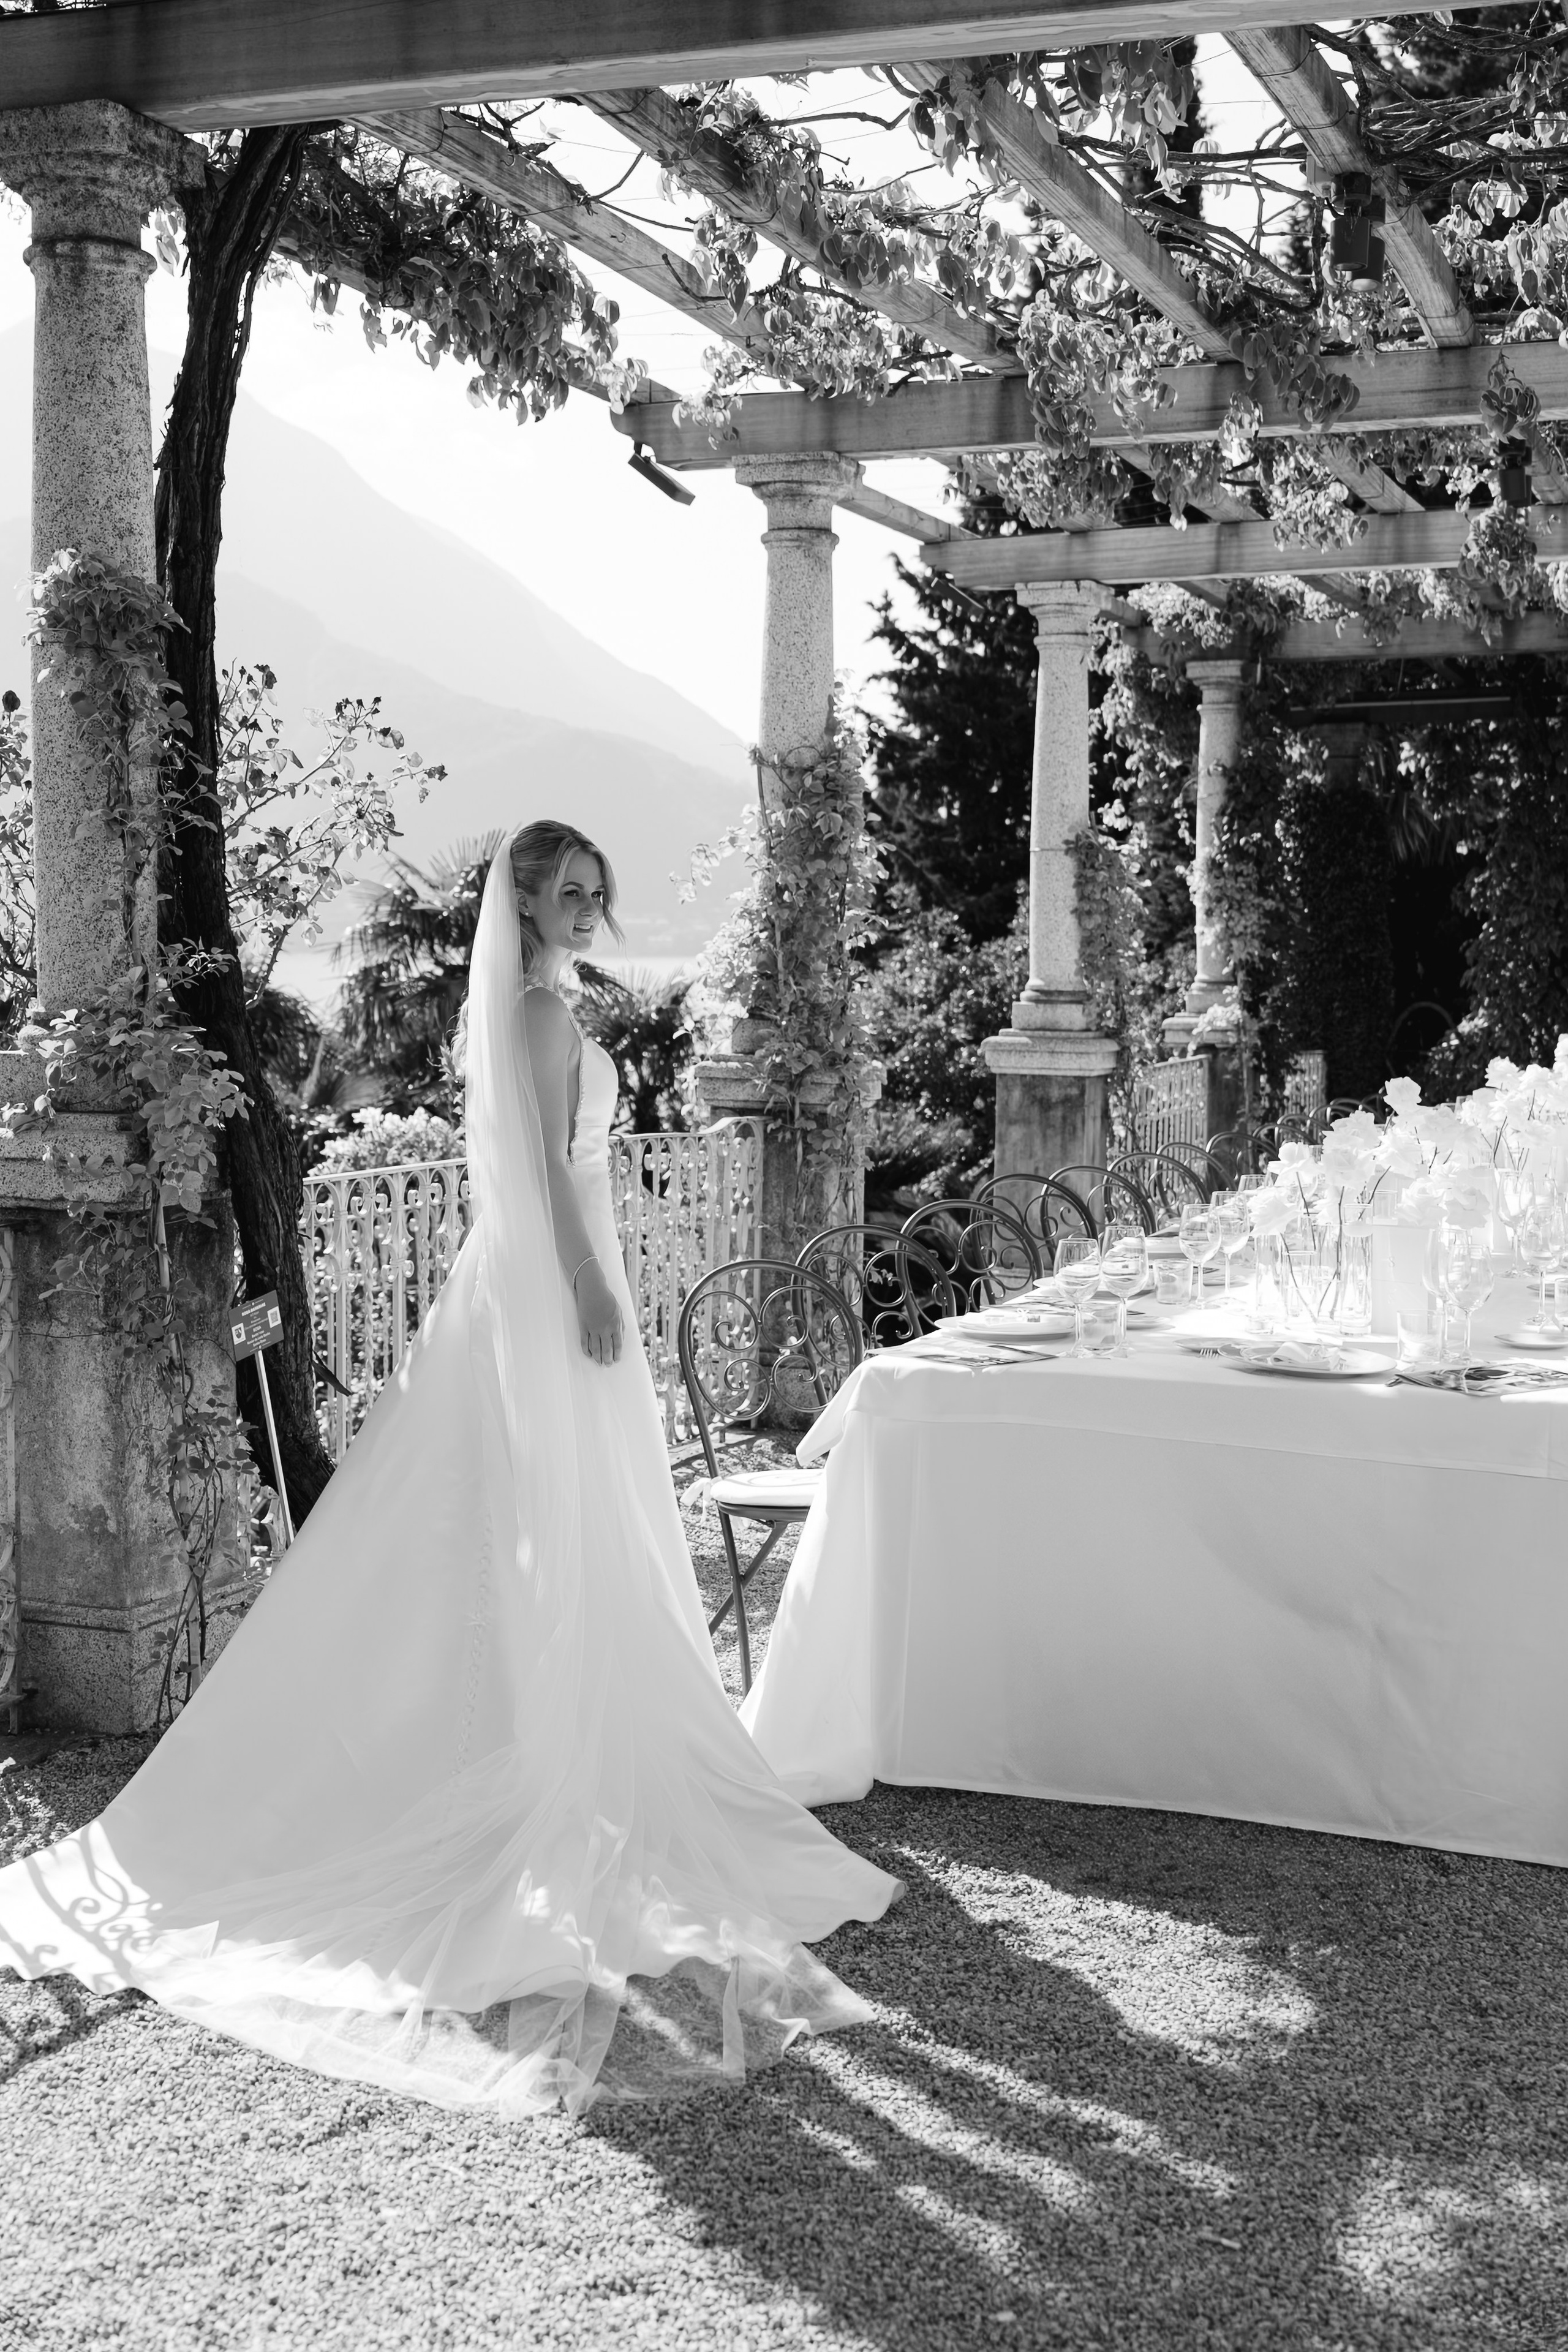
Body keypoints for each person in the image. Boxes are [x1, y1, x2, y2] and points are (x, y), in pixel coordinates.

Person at [0, 822, 899, 2116]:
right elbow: (536, 1170)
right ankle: (528, 1768)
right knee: (542, 1522)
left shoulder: (544, 1005)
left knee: (554, 1524)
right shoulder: (538, 1018)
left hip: (541, 1282)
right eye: (567, 892)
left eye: (598, 888)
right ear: (523, 905)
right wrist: (594, 1287)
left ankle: (550, 1753)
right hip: (547, 1290)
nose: (587, 908)